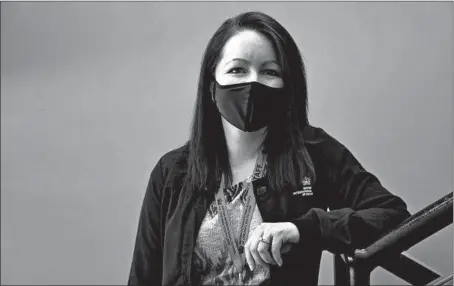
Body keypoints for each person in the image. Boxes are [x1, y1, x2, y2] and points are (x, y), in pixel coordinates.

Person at [127, 11, 411, 286]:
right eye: (237, 70)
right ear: (212, 87)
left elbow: (391, 214)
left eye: (269, 71)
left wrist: (303, 229)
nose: (253, 82)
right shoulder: (171, 172)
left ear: (287, 85)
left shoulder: (313, 153)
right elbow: (143, 277)